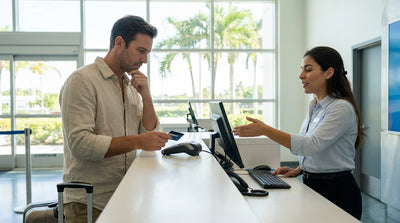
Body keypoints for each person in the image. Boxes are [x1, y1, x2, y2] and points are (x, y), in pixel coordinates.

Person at [59, 15, 171, 222]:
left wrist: (146, 95)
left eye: (147, 53)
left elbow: (147, 133)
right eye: (141, 51)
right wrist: (138, 142)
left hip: (126, 195)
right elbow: (80, 143)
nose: (145, 59)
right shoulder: (82, 81)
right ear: (119, 43)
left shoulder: (130, 86)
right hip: (89, 202)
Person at [232, 46, 364, 220]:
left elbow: (311, 145)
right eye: (302, 70)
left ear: (329, 72)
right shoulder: (314, 105)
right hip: (314, 183)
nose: (301, 76)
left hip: (337, 190)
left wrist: (265, 130)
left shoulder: (341, 108)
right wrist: (301, 168)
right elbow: (317, 145)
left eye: (308, 70)